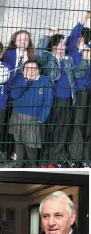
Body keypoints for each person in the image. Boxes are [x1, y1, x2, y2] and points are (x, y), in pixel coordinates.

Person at [36, 29, 90, 167]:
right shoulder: (47, 58)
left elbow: (78, 74)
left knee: (62, 130)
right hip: (52, 101)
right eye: (62, 44)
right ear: (55, 47)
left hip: (67, 101)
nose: (65, 46)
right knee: (49, 129)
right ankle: (44, 158)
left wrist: (84, 60)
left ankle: (54, 160)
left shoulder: (68, 60)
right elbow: (38, 53)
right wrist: (48, 36)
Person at [8, 60, 53, 167]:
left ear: (38, 70)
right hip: (17, 114)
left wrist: (42, 117)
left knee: (31, 144)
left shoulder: (45, 81)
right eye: (27, 69)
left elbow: (48, 101)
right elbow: (14, 95)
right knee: (18, 141)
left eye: (34, 69)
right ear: (23, 71)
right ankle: (19, 163)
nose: (31, 71)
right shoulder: (19, 79)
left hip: (33, 117)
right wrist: (25, 82)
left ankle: (33, 165)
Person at [65, 11, 91, 166]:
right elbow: (71, 37)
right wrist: (84, 19)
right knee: (77, 124)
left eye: (80, 36)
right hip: (80, 93)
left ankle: (86, 158)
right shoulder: (73, 51)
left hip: (87, 92)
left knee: (87, 126)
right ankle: (76, 157)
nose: (77, 38)